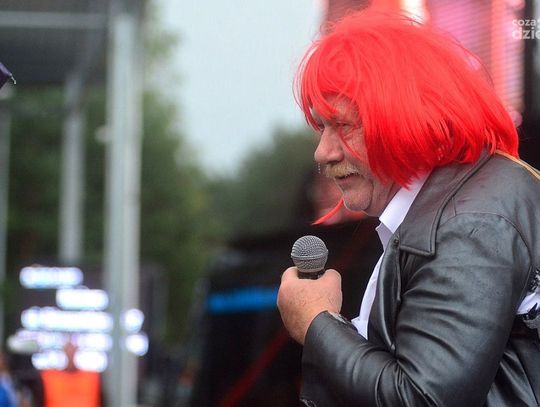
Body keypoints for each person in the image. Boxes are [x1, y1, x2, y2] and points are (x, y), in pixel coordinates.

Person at [277, 8, 540, 407]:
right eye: (322, 127)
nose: (323, 152)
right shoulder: (454, 210)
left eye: (343, 126)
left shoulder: (470, 223)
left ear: (404, 116)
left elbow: (421, 398)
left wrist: (317, 322)